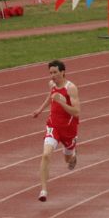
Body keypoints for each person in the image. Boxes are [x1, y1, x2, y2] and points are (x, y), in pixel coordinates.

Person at [32, 60, 81, 202]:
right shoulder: (52, 84)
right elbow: (51, 96)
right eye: (50, 73)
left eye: (55, 72)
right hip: (53, 126)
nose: (52, 76)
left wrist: (61, 102)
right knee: (46, 155)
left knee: (68, 160)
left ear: (63, 72)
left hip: (68, 129)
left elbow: (76, 112)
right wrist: (40, 110)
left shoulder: (71, 88)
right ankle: (43, 190)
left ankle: (73, 155)